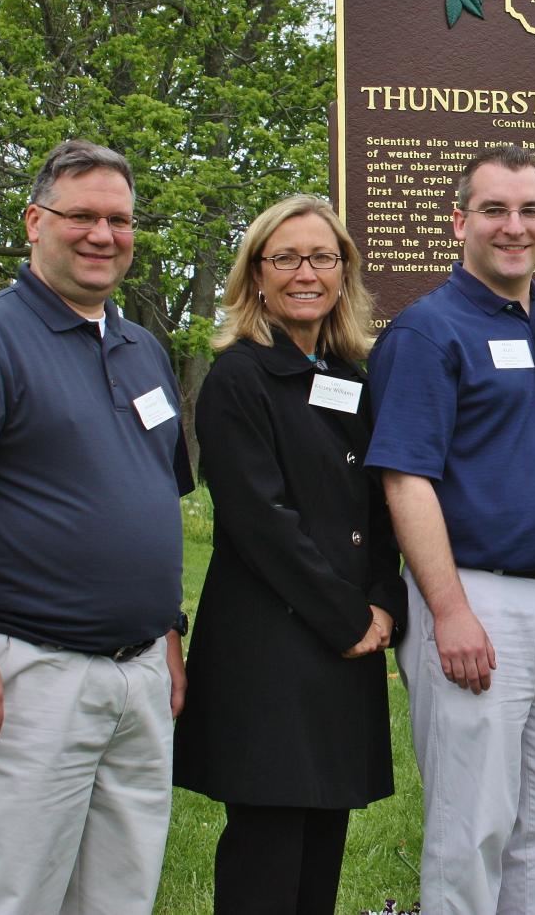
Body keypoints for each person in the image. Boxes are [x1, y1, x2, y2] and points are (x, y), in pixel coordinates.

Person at [0, 139, 192, 914]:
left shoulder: (142, 350)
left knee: (119, 898)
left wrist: (167, 633)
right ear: (34, 222)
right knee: (9, 896)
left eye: (119, 220)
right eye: (81, 216)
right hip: (23, 674)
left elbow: (154, 499)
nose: (102, 235)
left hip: (136, 677)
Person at [365, 146, 535, 914]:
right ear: (459, 222)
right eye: (495, 210)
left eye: (530, 210)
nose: (515, 226)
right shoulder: (426, 332)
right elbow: (406, 480)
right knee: (472, 821)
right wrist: (448, 611)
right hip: (476, 599)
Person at [172, 195, 406, 913]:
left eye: (322, 258)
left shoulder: (348, 378)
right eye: (287, 259)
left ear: (343, 273)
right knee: (268, 849)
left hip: (344, 642)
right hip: (272, 649)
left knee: (321, 842)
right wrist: (349, 618)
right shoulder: (238, 379)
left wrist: (385, 600)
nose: (307, 273)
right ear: (256, 275)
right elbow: (260, 521)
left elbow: (379, 503)